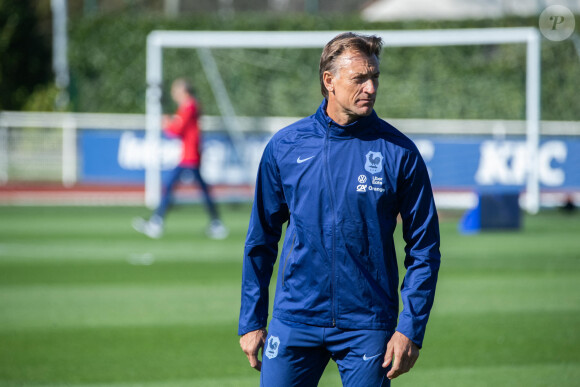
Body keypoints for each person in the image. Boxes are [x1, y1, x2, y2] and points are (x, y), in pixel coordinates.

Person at [238, 32, 441, 386]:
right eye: (359, 78)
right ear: (329, 81)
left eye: (374, 77)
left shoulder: (400, 153)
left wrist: (410, 328)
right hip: (295, 319)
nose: (371, 88)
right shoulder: (285, 147)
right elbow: (261, 239)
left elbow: (424, 250)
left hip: (367, 323)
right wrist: (252, 320)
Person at [133, 78, 228, 240]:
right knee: (194, 188)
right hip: (189, 154)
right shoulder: (189, 106)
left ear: (183, 91)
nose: (173, 94)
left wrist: (166, 122)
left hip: (190, 155)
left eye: (175, 91)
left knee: (173, 186)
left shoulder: (189, 106)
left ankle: (157, 223)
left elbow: (176, 130)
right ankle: (216, 223)